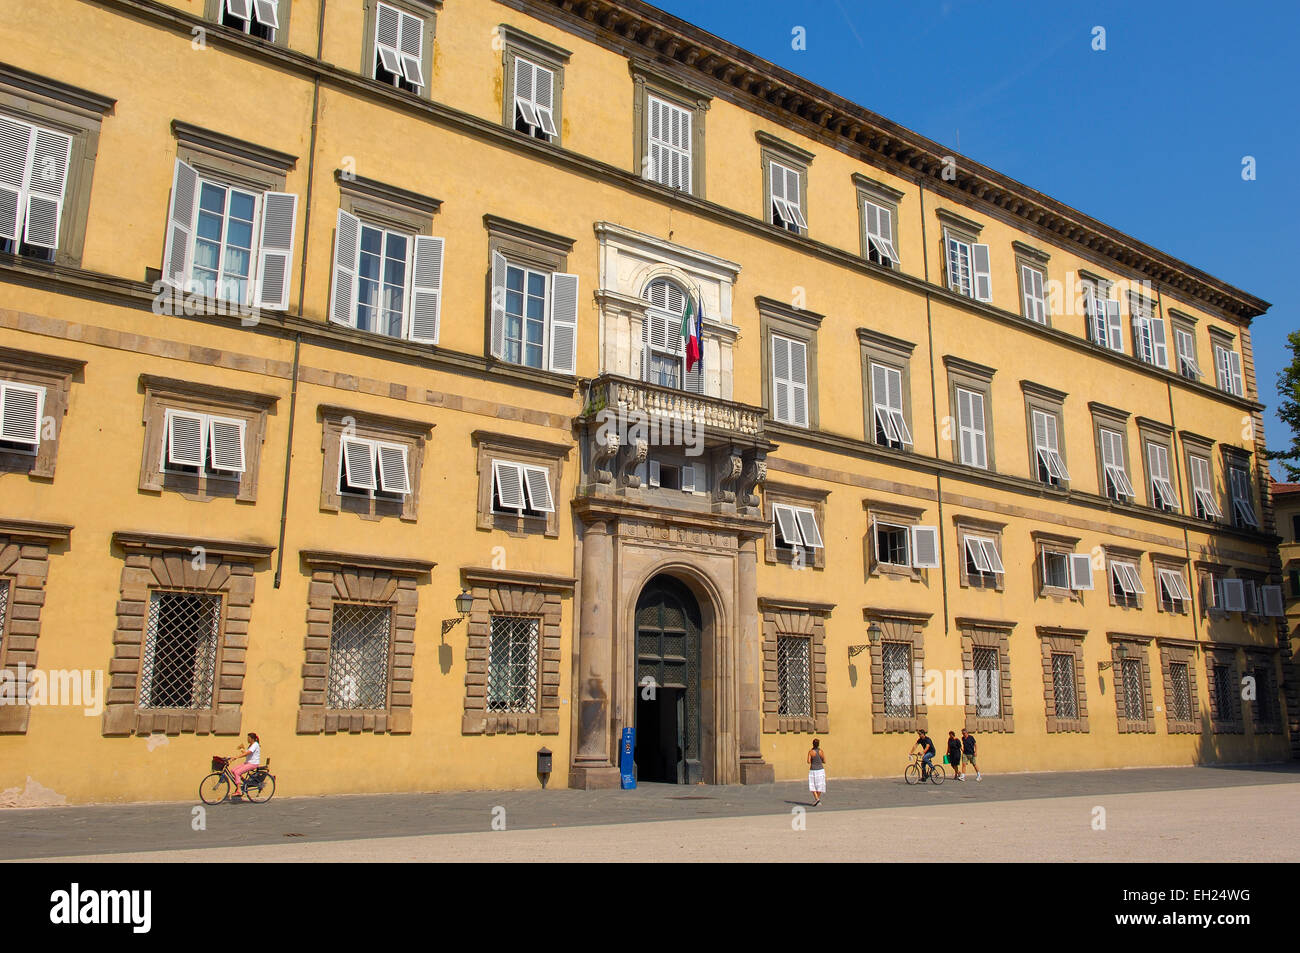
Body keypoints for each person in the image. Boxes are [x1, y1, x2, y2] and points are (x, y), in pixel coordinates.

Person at [228, 732, 262, 796]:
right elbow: (246, 753)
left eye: (248, 738)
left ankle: (239, 791)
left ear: (252, 739)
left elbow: (247, 753)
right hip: (247, 763)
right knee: (233, 770)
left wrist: (236, 757)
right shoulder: (251, 745)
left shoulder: (255, 744)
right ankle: (245, 783)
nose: (247, 739)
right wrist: (242, 749)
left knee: (237, 772)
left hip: (253, 763)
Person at [807, 739, 827, 806]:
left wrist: (813, 759)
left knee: (812, 785)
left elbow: (808, 761)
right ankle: (817, 799)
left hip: (813, 770)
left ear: (812, 744)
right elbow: (824, 761)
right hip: (820, 770)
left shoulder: (810, 752)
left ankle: (817, 799)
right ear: (818, 744)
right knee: (820, 785)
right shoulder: (821, 751)